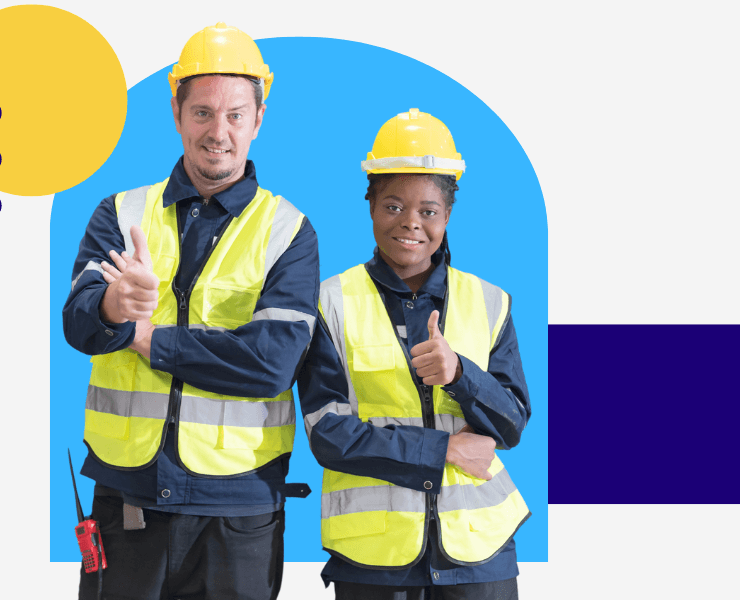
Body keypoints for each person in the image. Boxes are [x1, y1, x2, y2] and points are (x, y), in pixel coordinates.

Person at [62, 22, 319, 600]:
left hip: (238, 514)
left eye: (234, 114)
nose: (218, 132)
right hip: (127, 503)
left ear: (258, 119)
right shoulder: (120, 212)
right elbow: (78, 325)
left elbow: (270, 366)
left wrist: (145, 337)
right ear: (177, 114)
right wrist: (111, 304)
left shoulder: (289, 233)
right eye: (202, 113)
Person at [297, 109, 531, 600]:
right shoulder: (329, 302)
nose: (410, 223)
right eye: (393, 206)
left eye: (428, 211)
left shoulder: (489, 301)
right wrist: (441, 450)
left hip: (479, 556)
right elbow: (328, 434)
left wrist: (460, 374)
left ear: (447, 216)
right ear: (370, 207)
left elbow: (511, 424)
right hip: (375, 561)